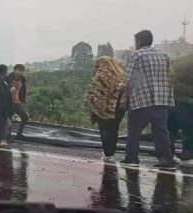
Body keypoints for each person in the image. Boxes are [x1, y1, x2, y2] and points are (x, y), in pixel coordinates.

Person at [120, 30, 176, 169]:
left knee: (134, 129)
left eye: (135, 41)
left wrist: (123, 98)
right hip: (161, 101)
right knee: (161, 131)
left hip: (141, 101)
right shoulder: (164, 55)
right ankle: (166, 160)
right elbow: (170, 76)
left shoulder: (136, 55)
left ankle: (132, 158)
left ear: (139, 41)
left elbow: (129, 80)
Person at [83, 57, 127, 163]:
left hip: (104, 107)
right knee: (114, 129)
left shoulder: (101, 75)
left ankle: (108, 154)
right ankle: (111, 153)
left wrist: (92, 107)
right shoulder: (120, 74)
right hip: (119, 107)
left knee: (105, 130)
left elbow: (94, 93)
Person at [168, 54, 193, 162]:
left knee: (171, 128)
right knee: (188, 127)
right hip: (185, 99)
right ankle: (187, 153)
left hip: (171, 98)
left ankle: (169, 154)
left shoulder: (182, 59)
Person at [5, 64, 29, 140]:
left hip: (17, 102)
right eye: (20, 71)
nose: (21, 72)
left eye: (22, 71)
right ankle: (8, 135)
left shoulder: (22, 79)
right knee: (9, 118)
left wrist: (22, 100)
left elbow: (23, 90)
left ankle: (19, 134)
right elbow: (4, 88)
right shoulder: (8, 78)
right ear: (15, 70)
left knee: (25, 117)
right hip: (8, 102)